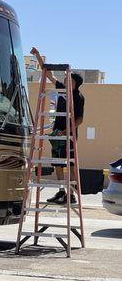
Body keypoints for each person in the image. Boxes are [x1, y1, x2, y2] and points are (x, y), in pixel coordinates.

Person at [30, 47, 85, 205]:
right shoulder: (62, 89)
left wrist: (65, 132)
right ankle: (62, 192)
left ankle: (72, 194)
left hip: (68, 136)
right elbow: (48, 74)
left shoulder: (78, 97)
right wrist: (38, 55)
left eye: (71, 81)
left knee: (70, 165)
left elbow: (80, 119)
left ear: (76, 84)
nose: (68, 82)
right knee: (58, 164)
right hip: (57, 134)